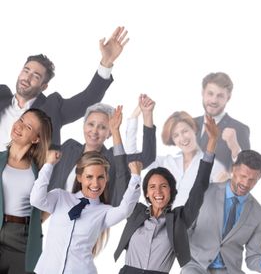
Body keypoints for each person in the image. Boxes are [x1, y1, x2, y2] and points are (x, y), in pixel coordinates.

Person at [113, 115, 219, 274]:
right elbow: (122, 177)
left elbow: (199, 187)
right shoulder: (136, 213)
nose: (158, 192)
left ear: (171, 191)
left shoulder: (179, 219)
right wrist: (115, 131)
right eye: (152, 187)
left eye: (163, 186)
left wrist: (212, 141)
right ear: (147, 193)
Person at [0, 25, 129, 150]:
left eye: (36, 76)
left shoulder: (51, 109)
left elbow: (88, 98)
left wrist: (106, 62)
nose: (27, 78)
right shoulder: (2, 95)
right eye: (26, 71)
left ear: (44, 86)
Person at [30, 150, 142, 274]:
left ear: (106, 178)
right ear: (79, 177)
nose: (95, 183)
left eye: (100, 177)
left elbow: (125, 210)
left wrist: (136, 177)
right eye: (89, 177)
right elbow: (36, 199)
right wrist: (49, 164)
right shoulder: (60, 197)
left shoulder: (104, 212)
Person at [181, 150, 261, 274]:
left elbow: (252, 258)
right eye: (243, 176)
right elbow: (185, 228)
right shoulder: (206, 192)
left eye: (252, 180)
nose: (245, 183)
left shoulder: (258, 213)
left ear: (259, 177)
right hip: (196, 266)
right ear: (234, 169)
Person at [48, 95, 156, 206]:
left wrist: (147, 114)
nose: (94, 131)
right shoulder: (70, 147)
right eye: (91, 124)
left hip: (92, 218)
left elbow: (147, 157)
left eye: (102, 127)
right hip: (54, 215)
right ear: (84, 125)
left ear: (110, 133)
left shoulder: (114, 158)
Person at [0, 108, 52, 273]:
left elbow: (48, 205)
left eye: (28, 127)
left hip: (23, 240)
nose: (20, 126)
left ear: (36, 138)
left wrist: (36, 222)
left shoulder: (40, 171)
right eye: (21, 120)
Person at [195, 72, 250, 180]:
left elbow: (247, 172)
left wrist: (235, 147)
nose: (214, 100)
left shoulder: (240, 129)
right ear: (202, 93)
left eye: (220, 96)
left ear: (228, 97)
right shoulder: (189, 124)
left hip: (217, 193)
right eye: (210, 94)